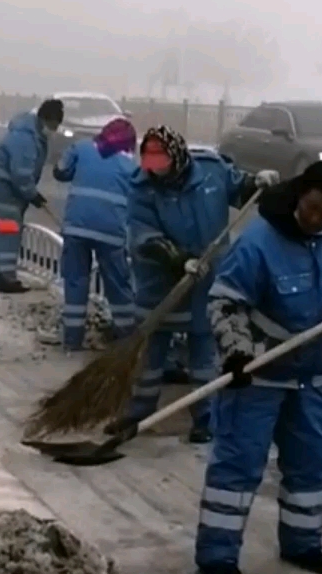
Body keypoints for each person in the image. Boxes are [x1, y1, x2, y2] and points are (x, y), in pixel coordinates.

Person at [193, 160, 322, 574]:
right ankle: (217, 555)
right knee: (238, 467)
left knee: (312, 466)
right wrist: (236, 352)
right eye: (311, 207)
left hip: (314, 379)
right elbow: (225, 303)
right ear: (300, 194)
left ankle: (303, 543)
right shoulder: (259, 243)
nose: (315, 218)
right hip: (259, 375)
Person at [104, 125, 278, 444]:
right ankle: (139, 411)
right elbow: (143, 235)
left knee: (203, 355)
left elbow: (240, 189)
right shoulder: (142, 187)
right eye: (151, 167)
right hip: (161, 281)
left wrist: (258, 182)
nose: (157, 174)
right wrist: (177, 259)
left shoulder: (212, 171)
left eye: (162, 166)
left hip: (209, 280)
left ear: (178, 156)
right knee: (151, 352)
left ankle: (206, 418)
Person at [52, 117, 138, 351]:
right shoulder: (131, 167)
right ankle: (127, 341)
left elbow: (60, 171)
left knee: (76, 282)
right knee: (118, 286)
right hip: (111, 233)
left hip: (76, 228)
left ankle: (72, 340)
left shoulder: (81, 148)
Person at [0, 98, 64, 293]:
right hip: (3, 194)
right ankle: (7, 278)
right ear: (44, 119)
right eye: (53, 125)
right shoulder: (27, 139)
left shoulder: (28, 133)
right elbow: (21, 174)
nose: (54, 129)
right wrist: (33, 195)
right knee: (7, 233)